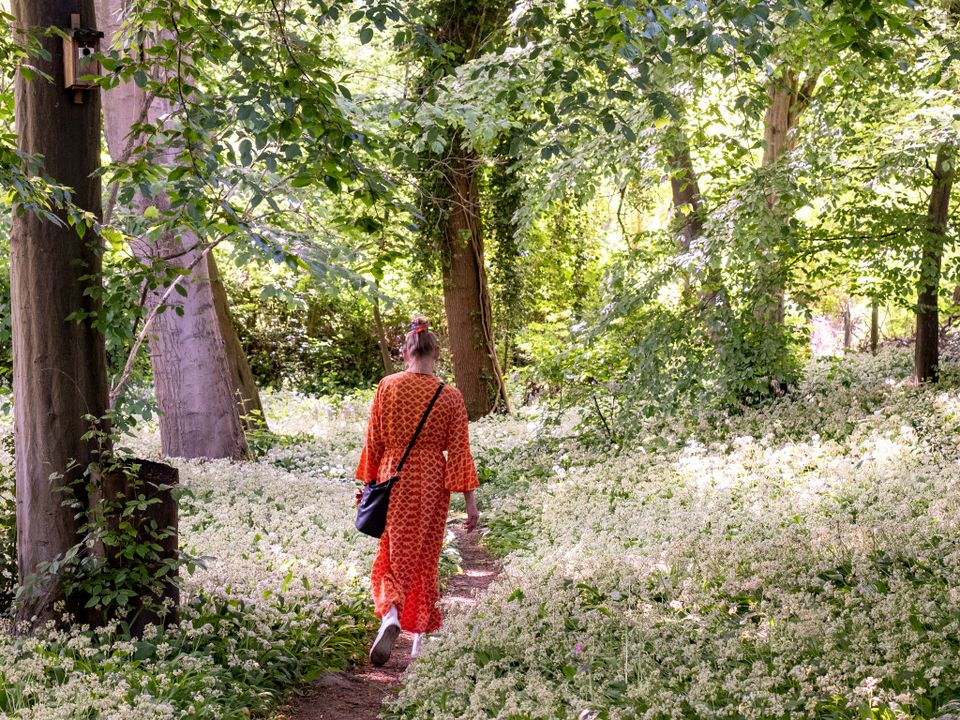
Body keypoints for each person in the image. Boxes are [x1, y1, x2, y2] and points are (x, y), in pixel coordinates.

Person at [355, 316, 480, 666]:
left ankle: (391, 615)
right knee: (425, 557)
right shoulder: (450, 396)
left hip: (393, 476)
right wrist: (470, 504)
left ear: (405, 352)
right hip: (431, 483)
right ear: (436, 353)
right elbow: (459, 452)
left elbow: (374, 441)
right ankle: (419, 642)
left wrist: (368, 486)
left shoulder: (388, 386)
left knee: (391, 554)